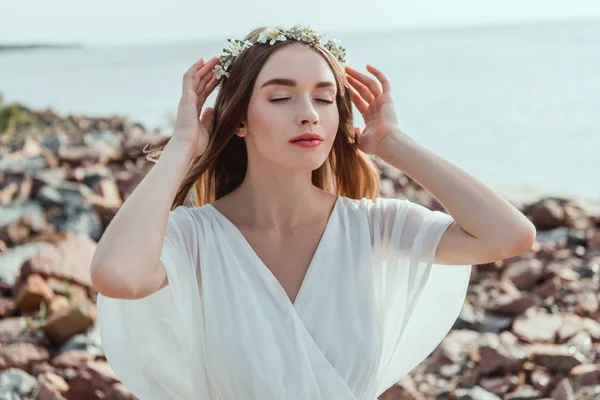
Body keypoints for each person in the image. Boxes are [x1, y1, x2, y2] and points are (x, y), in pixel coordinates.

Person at [90, 25, 536, 400]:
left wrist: (394, 144)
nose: (308, 115)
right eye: (281, 98)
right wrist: (183, 146)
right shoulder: (195, 238)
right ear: (239, 120)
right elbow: (117, 275)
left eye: (324, 99)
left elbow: (511, 235)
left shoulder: (373, 227)